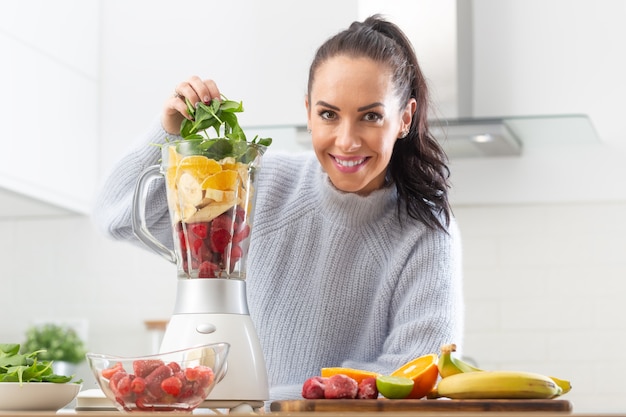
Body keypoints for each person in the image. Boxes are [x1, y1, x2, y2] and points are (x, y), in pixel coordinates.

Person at [93, 14, 464, 401]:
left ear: (404, 118)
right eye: (328, 114)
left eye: (371, 116)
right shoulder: (258, 181)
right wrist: (170, 131)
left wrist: (264, 402)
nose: (347, 140)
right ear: (308, 113)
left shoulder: (426, 229)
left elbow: (413, 374)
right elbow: (115, 216)